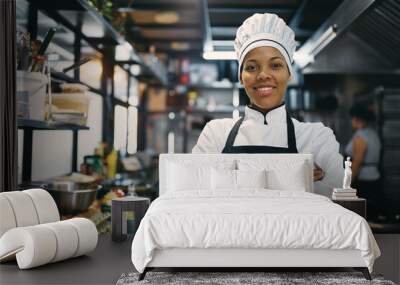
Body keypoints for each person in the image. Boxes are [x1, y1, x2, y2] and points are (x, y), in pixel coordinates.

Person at [192, 13, 344, 197]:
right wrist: (294, 178)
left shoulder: (317, 138)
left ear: (289, 73)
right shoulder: (215, 135)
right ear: (241, 77)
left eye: (275, 65)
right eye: (251, 67)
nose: (263, 75)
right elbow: (196, 195)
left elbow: (334, 203)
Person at [345, 104, 381, 219]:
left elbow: (357, 162)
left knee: (362, 214)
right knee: (372, 213)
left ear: (356, 119)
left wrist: (348, 183)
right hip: (375, 178)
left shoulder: (360, 137)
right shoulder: (373, 134)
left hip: (363, 181)